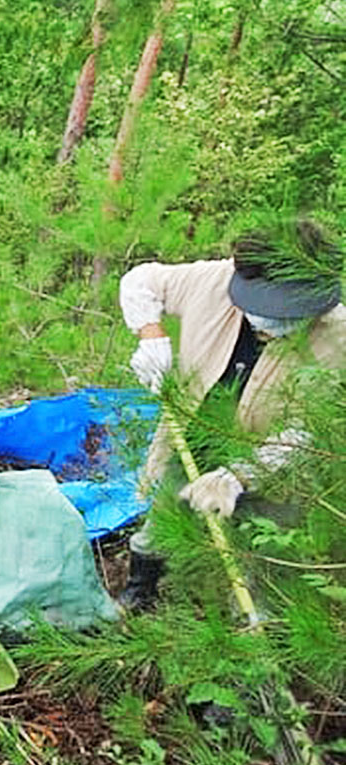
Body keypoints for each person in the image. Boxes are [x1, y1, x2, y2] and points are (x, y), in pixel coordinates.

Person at [119, 218, 346, 608]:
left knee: (268, 542)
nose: (273, 321)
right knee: (167, 514)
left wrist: (240, 475)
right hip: (196, 431)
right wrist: (151, 336)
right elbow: (140, 281)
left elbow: (307, 433)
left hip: (271, 458)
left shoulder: (338, 337)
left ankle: (260, 614)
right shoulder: (213, 282)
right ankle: (141, 589)